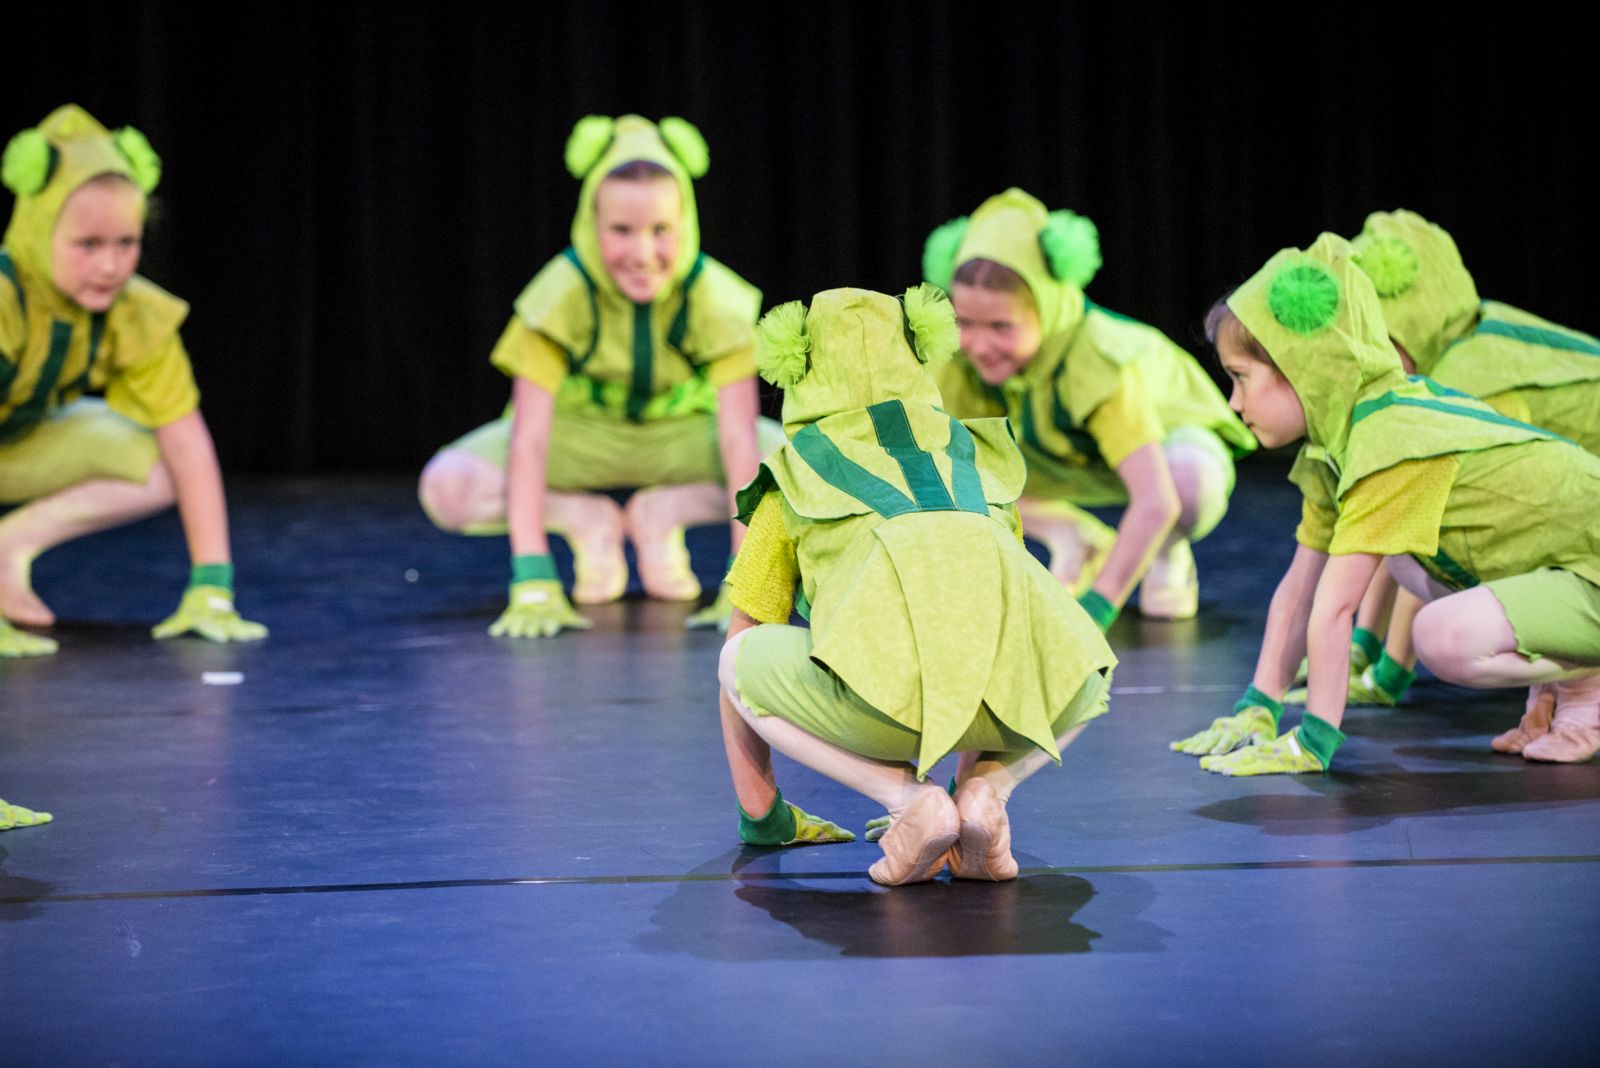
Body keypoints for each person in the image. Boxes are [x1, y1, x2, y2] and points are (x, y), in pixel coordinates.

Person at [716, 285, 1115, 884]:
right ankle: (986, 796)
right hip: (1016, 712)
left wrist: (763, 817)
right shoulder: (978, 460)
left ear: (800, 367)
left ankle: (909, 801)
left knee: (735, 659)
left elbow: (746, 637)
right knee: (1081, 662)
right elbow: (1004, 621)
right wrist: (975, 776)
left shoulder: (797, 473)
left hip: (880, 709)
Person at [1172, 233, 1600, 774]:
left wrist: (1313, 741)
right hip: (1564, 568)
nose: (1233, 402)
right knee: (1403, 561)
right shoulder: (1342, 443)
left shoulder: (1386, 436)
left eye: (1240, 378)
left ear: (1302, 369)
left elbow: (1335, 608)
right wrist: (1258, 706)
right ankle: (1581, 673)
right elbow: (1299, 588)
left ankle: (1586, 673)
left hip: (1590, 563)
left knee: (1441, 637)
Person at [417, 115, 779, 636]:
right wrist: (533, 576)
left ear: (686, 223)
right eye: (621, 231)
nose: (642, 254)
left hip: (680, 439)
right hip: (577, 439)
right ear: (592, 224)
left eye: (661, 230)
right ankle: (586, 520)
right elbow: (531, 441)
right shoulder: (561, 293)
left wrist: (742, 580)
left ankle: (661, 514)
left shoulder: (713, 297)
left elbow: (737, 437)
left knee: (794, 469)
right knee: (449, 487)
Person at [1285, 210, 1600, 734]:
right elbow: (1402, 532)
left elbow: (1439, 517)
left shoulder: (1469, 376)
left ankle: (1585, 671)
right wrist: (1366, 654)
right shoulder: (1473, 333)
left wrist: (1388, 672)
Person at [922, 189, 1255, 628]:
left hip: (1154, 462)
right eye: (965, 322)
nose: (979, 345)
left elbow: (1156, 498)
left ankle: (1165, 549)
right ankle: (1071, 534)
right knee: (941, 458)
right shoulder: (958, 359)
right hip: (1062, 462)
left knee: (1191, 480)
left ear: (1048, 309)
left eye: (1002, 326)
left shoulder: (1096, 357)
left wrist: (1094, 612)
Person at [1, 105, 266, 657]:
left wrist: (211, 584)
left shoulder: (133, 311)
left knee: (162, 462)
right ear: (38, 229)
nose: (111, 266)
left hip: (22, 443)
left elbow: (186, 439)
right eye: (88, 245)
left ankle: (11, 544)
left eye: (127, 243)